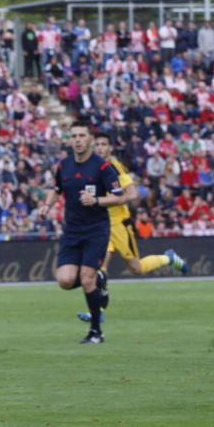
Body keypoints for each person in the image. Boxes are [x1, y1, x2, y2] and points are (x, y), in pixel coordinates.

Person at [75, 133, 189, 323]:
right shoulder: (91, 167)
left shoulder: (115, 167)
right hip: (100, 227)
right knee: (98, 271)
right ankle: (97, 312)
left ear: (110, 148)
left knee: (136, 268)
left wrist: (107, 199)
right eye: (98, 145)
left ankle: (167, 257)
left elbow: (132, 193)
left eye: (104, 144)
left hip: (119, 226)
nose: (101, 148)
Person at [38, 121, 127, 344]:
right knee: (65, 280)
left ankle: (96, 331)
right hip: (72, 231)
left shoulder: (103, 167)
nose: (77, 140)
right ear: (69, 140)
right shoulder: (63, 166)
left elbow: (120, 196)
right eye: (74, 136)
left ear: (89, 139)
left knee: (86, 280)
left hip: (96, 230)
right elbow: (56, 189)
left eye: (81, 136)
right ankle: (100, 278)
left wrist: (96, 200)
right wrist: (47, 206)